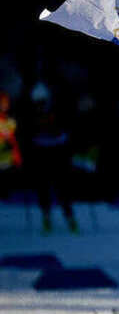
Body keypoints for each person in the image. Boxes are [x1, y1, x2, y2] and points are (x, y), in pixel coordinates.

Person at [25, 82, 79, 233]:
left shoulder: (58, 111)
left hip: (57, 151)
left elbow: (66, 128)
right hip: (41, 152)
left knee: (62, 187)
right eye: (37, 102)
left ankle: (70, 218)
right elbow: (27, 132)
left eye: (42, 102)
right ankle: (46, 217)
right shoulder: (31, 113)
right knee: (43, 187)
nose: (40, 105)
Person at [0, 91, 23, 200]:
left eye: (6, 103)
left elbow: (13, 139)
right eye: (2, 103)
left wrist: (16, 155)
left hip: (7, 157)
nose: (4, 105)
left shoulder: (10, 120)